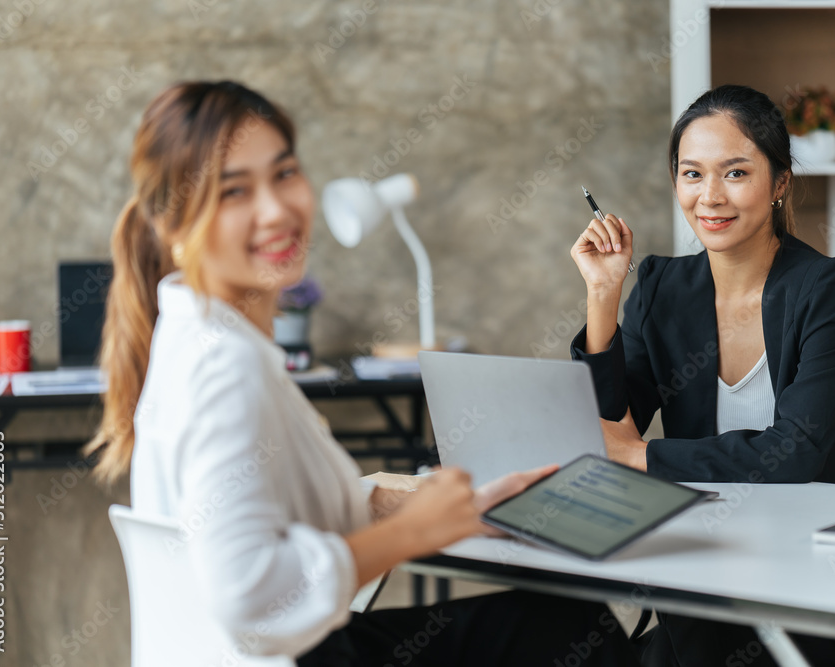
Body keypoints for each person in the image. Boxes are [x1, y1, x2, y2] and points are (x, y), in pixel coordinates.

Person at [85, 80, 642, 666]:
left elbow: (262, 509)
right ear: (173, 226)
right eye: (233, 192)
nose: (275, 209)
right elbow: (250, 596)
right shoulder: (224, 369)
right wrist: (414, 532)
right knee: (575, 635)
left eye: (283, 174)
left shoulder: (200, 336)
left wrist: (442, 509)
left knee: (559, 626)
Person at [569, 84, 835, 666]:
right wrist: (602, 296)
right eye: (691, 174)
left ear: (779, 183)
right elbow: (610, 423)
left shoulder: (822, 286)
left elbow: (793, 454)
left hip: (815, 563)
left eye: (736, 173)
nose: (710, 197)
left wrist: (638, 457)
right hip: (704, 549)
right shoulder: (661, 286)